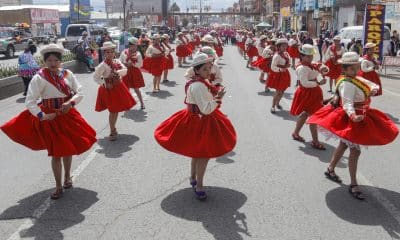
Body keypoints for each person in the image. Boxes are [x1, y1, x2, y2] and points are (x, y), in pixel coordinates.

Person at [1, 44, 97, 200]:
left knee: (68, 148)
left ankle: (67, 178)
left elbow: (79, 92)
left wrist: (70, 103)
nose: (53, 63)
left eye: (56, 60)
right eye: (49, 60)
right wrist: (42, 116)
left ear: (60, 61)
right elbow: (30, 101)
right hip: (50, 118)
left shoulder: (67, 74)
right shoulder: (39, 77)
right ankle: (58, 185)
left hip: (67, 115)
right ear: (45, 61)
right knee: (56, 153)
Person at [308, 52, 398, 200]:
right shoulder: (346, 83)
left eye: (356, 67)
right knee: (355, 152)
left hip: (362, 114)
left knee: (344, 145)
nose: (356, 71)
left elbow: (369, 84)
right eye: (352, 69)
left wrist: (373, 89)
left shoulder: (354, 78)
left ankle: (330, 169)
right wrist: (353, 116)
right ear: (345, 69)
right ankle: (353, 184)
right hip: (354, 118)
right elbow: (347, 102)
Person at [154, 53, 236, 200]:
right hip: (201, 120)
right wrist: (218, 98)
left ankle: (193, 178)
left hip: (196, 118)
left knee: (197, 152)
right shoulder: (198, 85)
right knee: (203, 154)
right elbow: (205, 109)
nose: (209, 72)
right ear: (197, 70)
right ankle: (199, 185)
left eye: (210, 68)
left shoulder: (200, 82)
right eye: (205, 69)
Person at [94, 42, 136, 141]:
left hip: (118, 87)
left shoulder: (117, 61)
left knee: (115, 110)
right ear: (104, 53)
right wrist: (105, 83)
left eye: (111, 52)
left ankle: (113, 129)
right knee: (112, 111)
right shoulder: (102, 65)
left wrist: (117, 72)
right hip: (109, 89)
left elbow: (125, 70)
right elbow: (96, 78)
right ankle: (112, 131)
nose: (110, 54)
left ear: (114, 53)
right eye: (107, 52)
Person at [290, 44, 329, 150]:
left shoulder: (309, 64)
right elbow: (304, 83)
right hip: (307, 93)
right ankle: (315, 141)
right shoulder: (302, 68)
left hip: (312, 92)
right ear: (301, 56)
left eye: (311, 56)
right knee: (313, 116)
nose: (310, 58)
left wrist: (324, 68)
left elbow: (319, 66)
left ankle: (295, 133)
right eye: (308, 56)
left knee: (305, 114)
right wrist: (318, 83)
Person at [119, 37, 146, 109]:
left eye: (134, 46)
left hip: (134, 72)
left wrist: (133, 64)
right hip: (126, 72)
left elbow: (140, 64)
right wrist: (123, 64)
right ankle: (127, 104)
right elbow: (119, 61)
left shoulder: (138, 54)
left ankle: (142, 103)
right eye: (131, 45)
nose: (133, 47)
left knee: (136, 89)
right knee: (126, 89)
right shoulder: (124, 52)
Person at [267, 38, 292, 113]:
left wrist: (288, 65)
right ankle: (273, 106)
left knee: (282, 91)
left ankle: (278, 103)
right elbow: (273, 67)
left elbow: (289, 61)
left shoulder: (286, 54)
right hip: (279, 75)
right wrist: (280, 69)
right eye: (283, 46)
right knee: (278, 91)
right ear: (279, 46)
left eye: (285, 46)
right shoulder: (277, 56)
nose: (284, 47)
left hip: (285, 74)